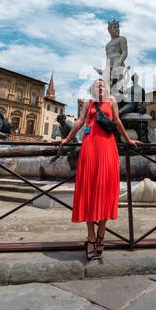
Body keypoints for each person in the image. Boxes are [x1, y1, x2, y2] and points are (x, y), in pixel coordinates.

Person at [57, 79, 141, 261]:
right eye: (97, 85)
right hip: (89, 148)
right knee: (88, 189)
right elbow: (79, 122)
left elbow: (117, 122)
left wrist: (127, 140)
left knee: (105, 190)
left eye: (103, 84)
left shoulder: (112, 101)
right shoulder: (89, 103)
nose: (101, 86)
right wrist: (66, 139)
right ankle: (91, 237)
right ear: (93, 89)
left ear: (107, 88)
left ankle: (101, 233)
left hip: (108, 148)